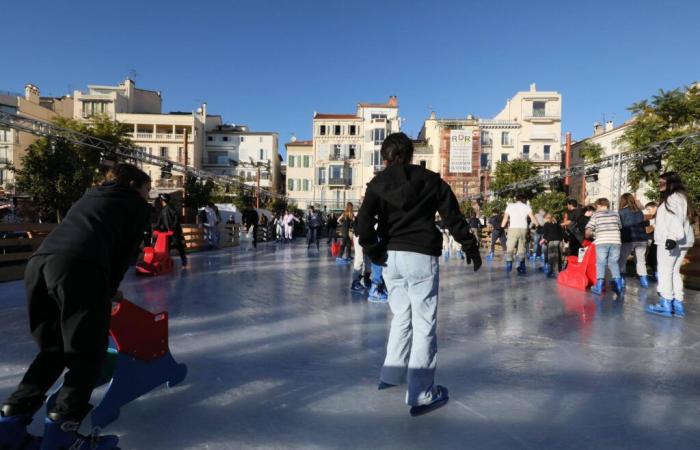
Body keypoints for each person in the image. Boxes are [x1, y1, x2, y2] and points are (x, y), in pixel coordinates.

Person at [0, 163, 151, 450]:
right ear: (134, 186)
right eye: (146, 189)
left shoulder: (89, 197)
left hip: (40, 265)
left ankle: (10, 423)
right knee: (87, 352)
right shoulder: (135, 205)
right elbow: (122, 255)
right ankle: (63, 436)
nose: (148, 195)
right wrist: (107, 292)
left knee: (54, 350)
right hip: (80, 267)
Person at [356, 132, 481, 417]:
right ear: (411, 155)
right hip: (421, 255)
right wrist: (470, 246)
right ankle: (421, 394)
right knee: (423, 322)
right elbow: (452, 216)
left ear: (387, 158)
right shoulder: (431, 180)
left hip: (392, 258)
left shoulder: (377, 183)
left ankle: (391, 376)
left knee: (401, 317)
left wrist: (373, 251)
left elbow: (363, 222)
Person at [646, 172, 695, 317]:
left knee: (665, 271)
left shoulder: (672, 198)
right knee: (674, 272)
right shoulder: (681, 197)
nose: (658, 185)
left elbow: (674, 218)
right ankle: (677, 304)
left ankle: (666, 303)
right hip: (682, 240)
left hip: (670, 240)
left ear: (671, 182)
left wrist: (672, 237)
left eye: (661, 182)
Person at [585, 198, 623, 295]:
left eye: (596, 207)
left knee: (601, 263)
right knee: (613, 262)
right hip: (616, 241)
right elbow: (619, 226)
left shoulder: (596, 215)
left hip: (602, 241)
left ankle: (599, 286)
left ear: (599, 205)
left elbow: (589, 229)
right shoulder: (616, 214)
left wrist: (587, 235)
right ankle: (618, 285)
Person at [501, 193, 539, 274]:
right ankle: (522, 267)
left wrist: (502, 226)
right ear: (524, 200)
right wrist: (538, 225)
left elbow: (505, 218)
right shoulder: (527, 207)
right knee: (521, 248)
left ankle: (509, 265)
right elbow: (532, 218)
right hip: (523, 229)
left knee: (510, 247)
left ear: (516, 199)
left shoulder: (510, 206)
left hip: (513, 228)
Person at [618, 193, 650, 288]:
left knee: (622, 259)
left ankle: (621, 280)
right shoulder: (639, 212)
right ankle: (644, 281)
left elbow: (619, 226)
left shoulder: (621, 212)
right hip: (642, 238)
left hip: (628, 237)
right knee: (640, 260)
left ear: (623, 201)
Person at [156, 193, 188, 268]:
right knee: (167, 247)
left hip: (174, 231)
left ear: (162, 200)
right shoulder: (163, 209)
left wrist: (173, 228)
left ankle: (184, 260)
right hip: (167, 232)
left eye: (161, 200)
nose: (160, 201)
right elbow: (160, 220)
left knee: (178, 245)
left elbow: (176, 218)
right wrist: (157, 228)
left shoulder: (170, 207)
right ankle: (166, 261)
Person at [541, 213, 564, 278]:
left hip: (552, 241)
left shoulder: (546, 224)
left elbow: (545, 234)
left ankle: (552, 271)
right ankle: (559, 270)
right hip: (558, 241)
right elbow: (561, 232)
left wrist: (542, 241)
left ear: (546, 218)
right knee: (558, 256)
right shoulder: (557, 224)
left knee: (552, 257)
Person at [644, 202, 659, 279]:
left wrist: (651, 226)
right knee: (652, 257)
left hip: (658, 240)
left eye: (649, 209)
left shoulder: (659, 216)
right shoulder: (654, 217)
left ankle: (656, 274)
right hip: (654, 240)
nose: (648, 212)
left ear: (655, 207)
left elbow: (648, 230)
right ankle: (655, 273)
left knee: (655, 257)